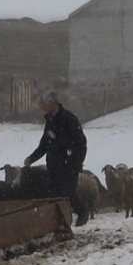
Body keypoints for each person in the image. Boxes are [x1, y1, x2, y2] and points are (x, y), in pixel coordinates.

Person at [23, 91, 89, 225]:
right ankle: (60, 222)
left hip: (68, 166)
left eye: (46, 103)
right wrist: (31, 159)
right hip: (54, 166)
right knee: (56, 195)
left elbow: (81, 143)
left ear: (54, 103)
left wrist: (75, 163)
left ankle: (82, 212)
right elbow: (44, 145)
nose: (43, 106)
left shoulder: (69, 119)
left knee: (67, 193)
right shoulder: (50, 121)